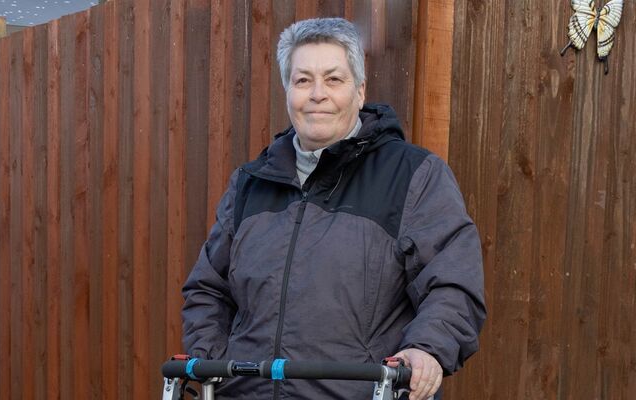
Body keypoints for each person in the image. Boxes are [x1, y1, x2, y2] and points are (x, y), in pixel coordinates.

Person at [182, 17, 486, 400]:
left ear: (359, 91)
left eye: (333, 79)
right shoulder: (250, 184)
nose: (317, 94)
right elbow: (208, 289)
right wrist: (214, 364)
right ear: (288, 91)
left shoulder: (415, 176)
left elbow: (453, 285)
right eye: (303, 80)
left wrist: (426, 349)